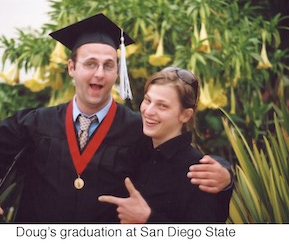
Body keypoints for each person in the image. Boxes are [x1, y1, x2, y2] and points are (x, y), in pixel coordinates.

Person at [0, 14, 232, 223]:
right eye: (90, 64)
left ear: (117, 71)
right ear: (71, 68)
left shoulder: (141, 128)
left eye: (108, 65)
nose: (99, 74)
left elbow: (179, 155)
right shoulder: (35, 123)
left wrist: (223, 173)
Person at [99, 67, 233, 223]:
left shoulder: (199, 173)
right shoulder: (136, 146)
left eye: (162, 106)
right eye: (148, 100)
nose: (149, 111)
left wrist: (148, 220)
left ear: (185, 115)